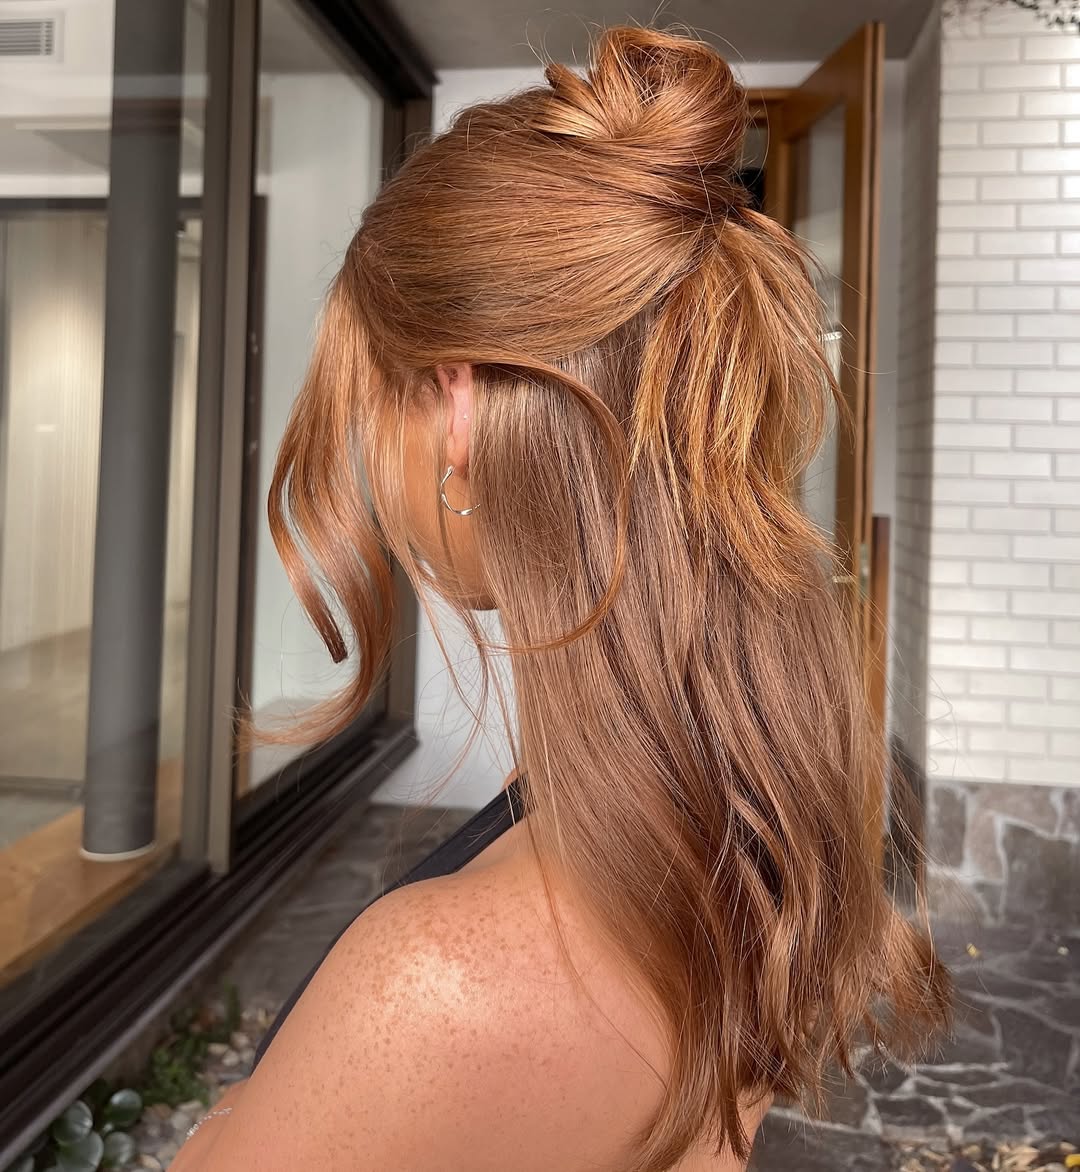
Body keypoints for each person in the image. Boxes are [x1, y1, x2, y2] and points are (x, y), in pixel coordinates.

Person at [172, 25, 949, 1171]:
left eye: (364, 401)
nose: (367, 462)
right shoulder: (741, 819)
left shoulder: (432, 987)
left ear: (456, 410)